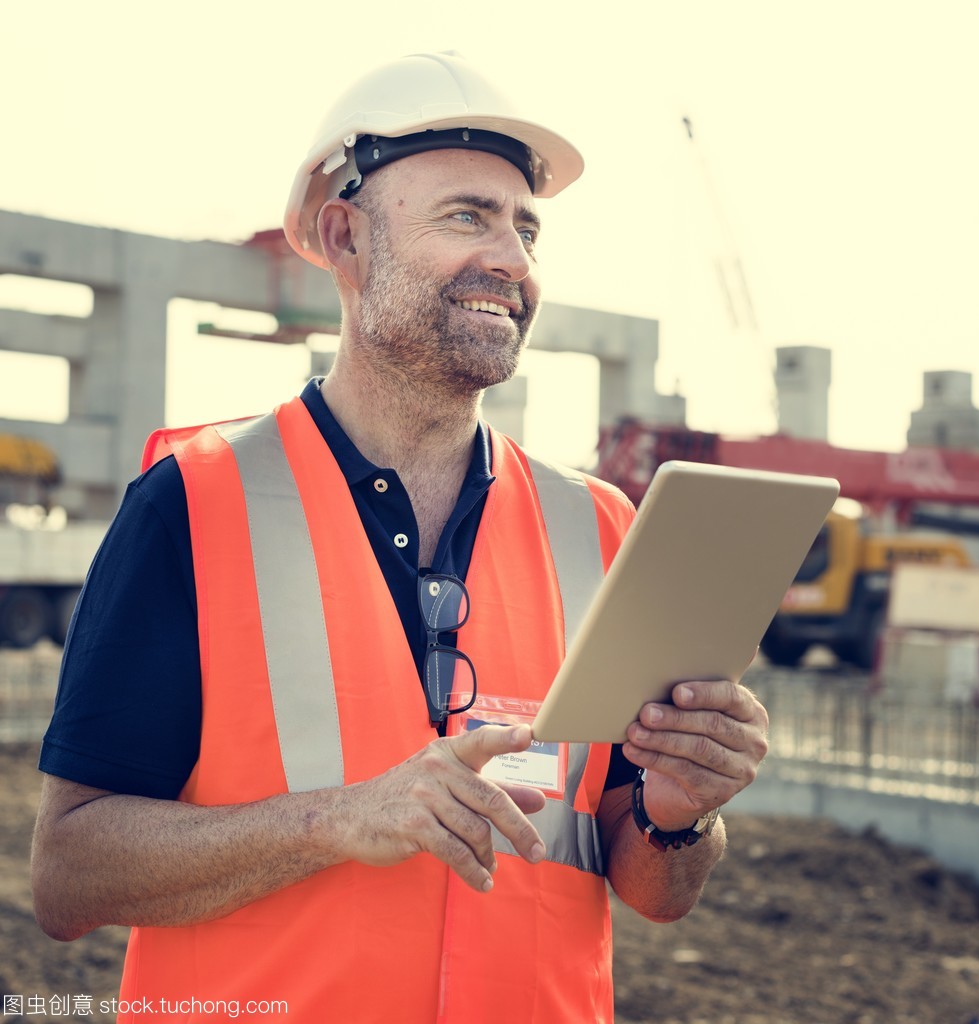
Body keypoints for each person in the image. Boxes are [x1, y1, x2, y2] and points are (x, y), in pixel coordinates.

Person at [31, 52, 769, 1023]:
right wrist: (335, 820)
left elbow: (652, 891)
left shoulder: (600, 529)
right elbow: (70, 876)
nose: (511, 258)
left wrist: (683, 813)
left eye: (526, 227)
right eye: (466, 215)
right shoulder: (196, 505)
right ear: (345, 236)